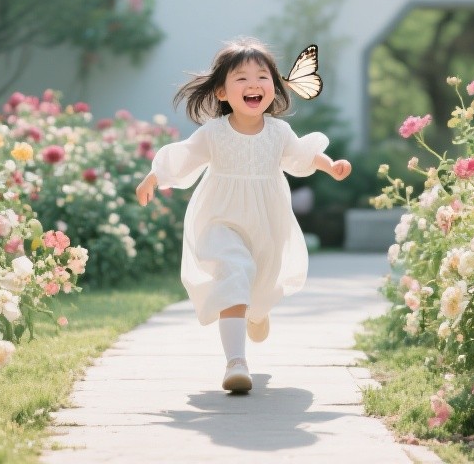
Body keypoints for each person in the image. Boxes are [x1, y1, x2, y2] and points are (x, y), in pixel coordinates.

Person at [135, 37, 351, 393]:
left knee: (261, 282)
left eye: (262, 76)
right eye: (241, 78)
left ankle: (258, 311)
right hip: (219, 218)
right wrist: (154, 176)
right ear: (222, 92)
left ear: (275, 87)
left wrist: (330, 165)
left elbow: (302, 155)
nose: (254, 84)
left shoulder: (279, 132)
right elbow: (185, 156)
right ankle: (236, 362)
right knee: (233, 274)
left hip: (268, 221)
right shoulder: (214, 133)